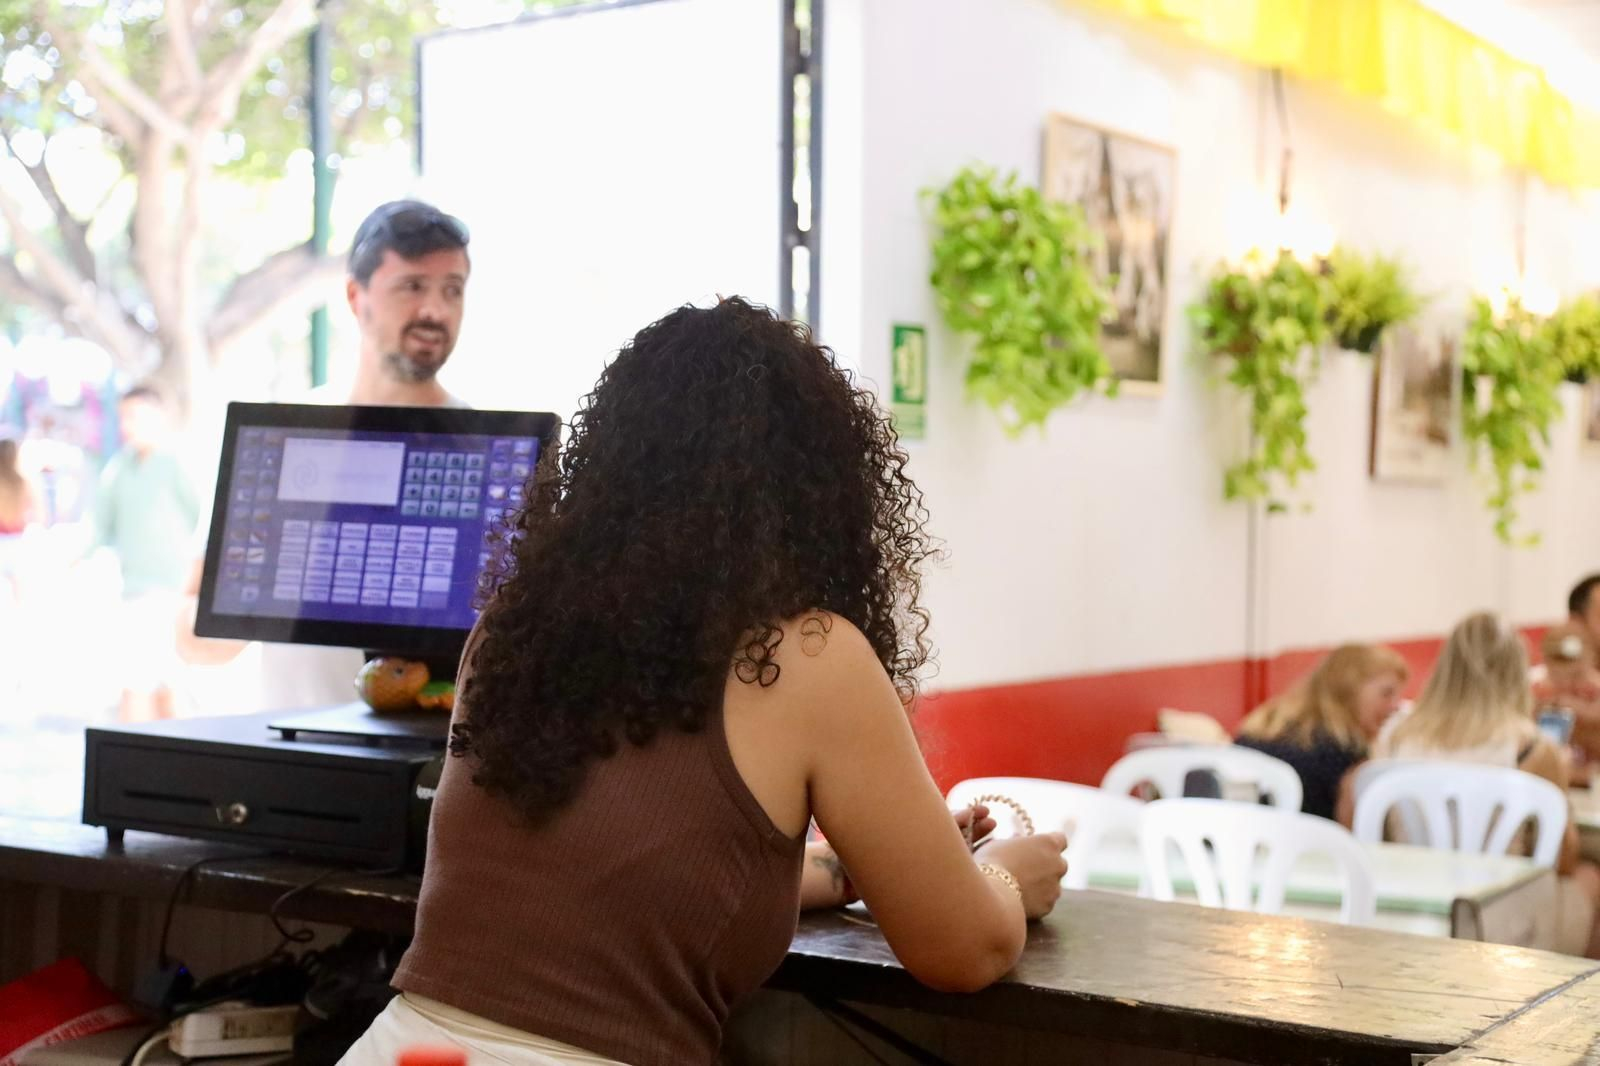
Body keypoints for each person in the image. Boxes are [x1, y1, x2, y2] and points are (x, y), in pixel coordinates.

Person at [337, 299, 1071, 1065]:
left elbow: (629, 874)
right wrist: (1007, 877)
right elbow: (964, 951)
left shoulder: (515, 624)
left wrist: (854, 869)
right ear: (819, 489)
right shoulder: (809, 654)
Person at [176, 200, 473, 712]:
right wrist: (261, 579)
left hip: (436, 755)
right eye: (412, 286)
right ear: (356, 296)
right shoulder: (280, 441)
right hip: (298, 749)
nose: (435, 310)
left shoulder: (488, 455)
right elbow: (193, 642)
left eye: (453, 289)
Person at [1374, 612, 1600, 957]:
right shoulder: (1532, 747)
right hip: (1503, 927)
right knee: (1589, 877)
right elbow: (1562, 859)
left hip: (1410, 916)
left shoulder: (1395, 736)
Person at [90, 385, 201, 721]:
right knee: (146, 686)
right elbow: (99, 525)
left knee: (156, 690)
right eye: (123, 417)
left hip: (173, 592)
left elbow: (201, 521)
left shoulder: (178, 462)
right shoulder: (119, 468)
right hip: (135, 591)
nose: (127, 425)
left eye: (135, 416)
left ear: (158, 417)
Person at [1235, 644, 1408, 823]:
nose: (1395, 706)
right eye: (1386, 694)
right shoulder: (1344, 750)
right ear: (1349, 691)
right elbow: (1354, 831)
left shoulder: (1261, 727)